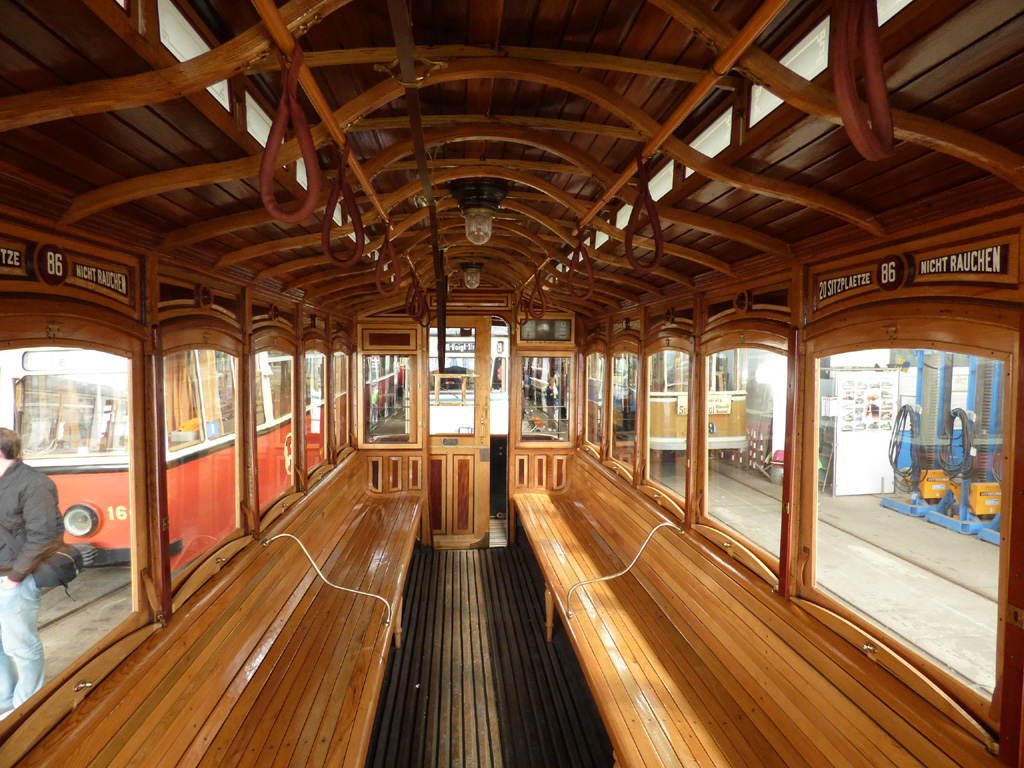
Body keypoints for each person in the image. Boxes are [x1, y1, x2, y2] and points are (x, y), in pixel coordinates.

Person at [0, 427, 62, 716]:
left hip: (13, 578)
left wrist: (15, 578)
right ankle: (4, 702)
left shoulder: (34, 484)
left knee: (21, 646)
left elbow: (46, 535)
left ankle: (28, 710)